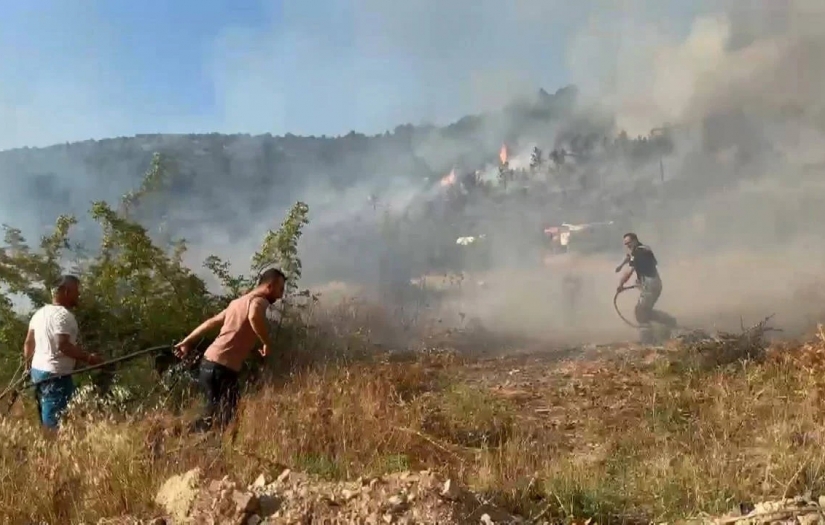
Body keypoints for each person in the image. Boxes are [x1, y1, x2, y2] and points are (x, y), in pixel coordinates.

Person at [174, 267, 286, 432]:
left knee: (214, 414)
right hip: (222, 369)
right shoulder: (259, 300)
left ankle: (185, 434)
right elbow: (253, 316)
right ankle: (183, 433)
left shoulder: (237, 303)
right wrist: (266, 343)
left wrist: (187, 341)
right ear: (269, 286)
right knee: (227, 417)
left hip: (207, 364)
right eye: (280, 289)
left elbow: (211, 322)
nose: (281, 294)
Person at [24, 275, 102, 430]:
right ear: (66, 292)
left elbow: (28, 343)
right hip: (56, 375)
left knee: (54, 413)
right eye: (76, 291)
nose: (78, 295)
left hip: (38, 372)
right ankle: (51, 450)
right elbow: (63, 346)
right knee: (54, 423)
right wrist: (89, 358)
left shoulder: (39, 313)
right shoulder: (65, 316)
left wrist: (27, 369)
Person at [616, 233, 677, 343]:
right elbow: (635, 260)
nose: (627, 246)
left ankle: (648, 341)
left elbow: (629, 271)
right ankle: (669, 321)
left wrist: (621, 285)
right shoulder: (644, 249)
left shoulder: (639, 252)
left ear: (634, 240)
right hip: (653, 283)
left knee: (641, 312)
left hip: (651, 284)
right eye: (626, 244)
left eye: (629, 243)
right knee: (645, 311)